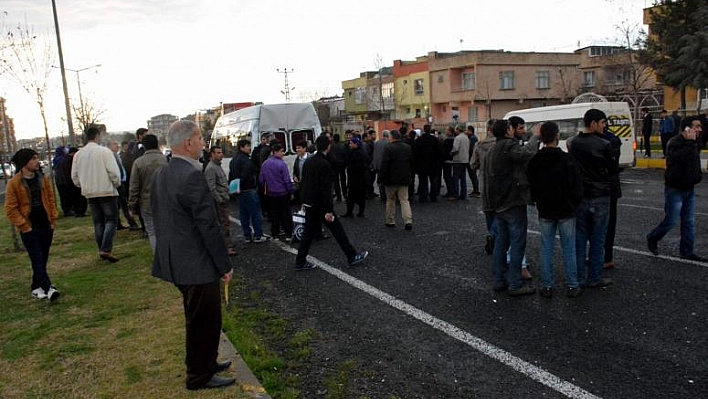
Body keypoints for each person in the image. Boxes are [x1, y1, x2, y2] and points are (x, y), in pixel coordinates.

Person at [151, 120, 235, 391]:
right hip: (196, 264)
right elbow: (208, 225)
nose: (203, 143)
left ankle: (207, 362)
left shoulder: (162, 173)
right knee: (204, 320)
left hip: (177, 260)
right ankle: (199, 375)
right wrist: (224, 265)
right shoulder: (191, 176)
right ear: (188, 142)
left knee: (200, 317)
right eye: (200, 138)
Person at [295, 135, 368, 271]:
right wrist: (328, 210)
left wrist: (303, 201)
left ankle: (300, 261)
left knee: (308, 234)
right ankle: (352, 256)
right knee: (337, 230)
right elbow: (325, 190)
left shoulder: (309, 161)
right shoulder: (324, 164)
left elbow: (303, 183)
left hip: (310, 203)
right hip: (321, 206)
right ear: (328, 147)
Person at [527, 122, 583, 298]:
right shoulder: (567, 159)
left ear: (541, 137)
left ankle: (547, 285)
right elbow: (576, 186)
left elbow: (532, 186)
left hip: (545, 209)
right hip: (565, 209)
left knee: (546, 248)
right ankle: (573, 284)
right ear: (557, 136)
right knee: (569, 247)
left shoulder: (535, 160)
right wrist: (574, 203)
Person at [486, 119, 540, 296]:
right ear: (508, 130)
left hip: (498, 202)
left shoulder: (493, 148)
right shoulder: (509, 146)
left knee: (501, 242)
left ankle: (498, 280)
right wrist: (536, 137)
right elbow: (525, 153)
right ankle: (515, 283)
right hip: (512, 200)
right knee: (517, 242)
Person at [567, 109, 615, 288]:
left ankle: (578, 277)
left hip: (581, 196)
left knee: (580, 238)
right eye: (603, 122)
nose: (605, 126)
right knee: (598, 238)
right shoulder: (604, 144)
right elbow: (611, 169)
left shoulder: (574, 143)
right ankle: (594, 277)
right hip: (600, 196)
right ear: (593, 123)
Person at [4, 148, 60, 301]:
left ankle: (36, 287)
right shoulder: (14, 183)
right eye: (33, 159)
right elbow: (10, 208)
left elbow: (50, 200)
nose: (37, 161)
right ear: (24, 163)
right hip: (29, 228)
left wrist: (53, 219)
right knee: (37, 258)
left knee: (43, 258)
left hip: (46, 225)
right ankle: (49, 288)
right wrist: (24, 225)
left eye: (37, 158)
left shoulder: (43, 179)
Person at [647, 116, 704, 261]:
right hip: (675, 189)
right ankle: (653, 237)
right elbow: (679, 158)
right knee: (671, 220)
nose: (700, 129)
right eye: (697, 126)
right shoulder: (675, 143)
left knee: (689, 222)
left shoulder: (695, 143)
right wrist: (690, 142)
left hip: (689, 188)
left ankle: (687, 251)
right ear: (687, 128)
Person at [71, 124, 121, 263]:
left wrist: (83, 185)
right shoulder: (104, 152)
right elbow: (114, 172)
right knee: (111, 220)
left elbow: (74, 176)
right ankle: (106, 248)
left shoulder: (78, 155)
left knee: (98, 222)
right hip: (106, 190)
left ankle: (102, 249)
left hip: (90, 192)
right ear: (97, 136)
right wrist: (115, 184)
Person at [128, 134, 166, 251]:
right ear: (157, 144)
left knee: (152, 231)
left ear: (144, 146)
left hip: (146, 202)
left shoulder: (138, 163)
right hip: (165, 200)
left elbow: (134, 186)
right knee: (164, 229)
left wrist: (132, 205)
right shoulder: (165, 160)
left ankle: (158, 257)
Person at [229, 139, 267, 243]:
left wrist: (235, 187)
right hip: (249, 189)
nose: (249, 148)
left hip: (239, 190)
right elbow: (246, 175)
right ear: (242, 147)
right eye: (247, 146)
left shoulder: (234, 160)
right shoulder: (245, 160)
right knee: (255, 213)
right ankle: (258, 235)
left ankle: (247, 235)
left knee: (243, 214)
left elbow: (232, 175)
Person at [471, 119, 498, 255]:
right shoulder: (501, 144)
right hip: (498, 183)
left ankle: (490, 234)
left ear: (488, 130)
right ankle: (494, 234)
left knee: (489, 212)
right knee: (500, 212)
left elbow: (473, 164)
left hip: (484, 182)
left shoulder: (479, 144)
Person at [204, 145, 236, 255]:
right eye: (218, 153)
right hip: (220, 202)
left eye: (221, 152)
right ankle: (226, 247)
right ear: (212, 154)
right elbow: (211, 187)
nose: (221, 154)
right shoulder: (211, 168)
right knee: (223, 223)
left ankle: (227, 244)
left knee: (225, 223)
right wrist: (219, 199)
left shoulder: (217, 166)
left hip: (224, 198)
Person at [259, 143, 294, 241]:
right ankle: (288, 233)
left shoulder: (265, 164)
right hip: (282, 192)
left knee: (274, 214)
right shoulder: (282, 164)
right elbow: (287, 180)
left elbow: (261, 180)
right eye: (281, 151)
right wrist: (291, 191)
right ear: (275, 152)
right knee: (285, 213)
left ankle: (275, 233)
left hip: (271, 193)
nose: (283, 153)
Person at [381, 130, 415, 230]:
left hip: (390, 179)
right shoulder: (407, 147)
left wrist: (382, 177)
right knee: (404, 200)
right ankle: (408, 220)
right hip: (404, 178)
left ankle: (390, 220)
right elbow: (412, 163)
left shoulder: (388, 148)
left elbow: (385, 164)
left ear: (391, 137)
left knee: (390, 200)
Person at [603, 126, 623, 269]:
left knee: (607, 223)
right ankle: (601, 255)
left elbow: (610, 165)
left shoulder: (611, 141)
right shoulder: (610, 140)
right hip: (604, 188)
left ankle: (606, 256)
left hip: (607, 188)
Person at [109, 140, 140, 231]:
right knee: (122, 205)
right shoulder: (111, 156)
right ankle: (130, 223)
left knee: (120, 204)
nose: (117, 145)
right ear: (109, 146)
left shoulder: (117, 155)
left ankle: (119, 223)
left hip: (121, 182)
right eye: (114, 144)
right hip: (117, 183)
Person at [414, 124, 443, 203]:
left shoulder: (419, 140)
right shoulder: (435, 140)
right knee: (433, 182)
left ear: (424, 130)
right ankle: (433, 196)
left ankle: (423, 196)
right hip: (433, 164)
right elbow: (440, 152)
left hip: (422, 165)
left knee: (423, 182)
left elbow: (416, 153)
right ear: (430, 130)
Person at [341, 136, 368, 218]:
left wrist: (349, 168)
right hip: (358, 180)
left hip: (356, 180)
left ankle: (353, 212)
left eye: (351, 143)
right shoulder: (357, 152)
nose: (349, 144)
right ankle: (356, 212)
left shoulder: (358, 153)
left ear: (356, 144)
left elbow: (356, 166)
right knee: (357, 197)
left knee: (353, 197)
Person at [449, 126, 470, 200]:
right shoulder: (466, 137)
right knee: (463, 178)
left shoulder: (457, 138)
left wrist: (451, 153)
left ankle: (455, 194)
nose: (455, 131)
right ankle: (463, 194)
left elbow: (455, 149)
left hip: (458, 160)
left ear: (458, 130)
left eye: (455, 129)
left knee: (456, 178)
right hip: (465, 160)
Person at [292, 140, 310, 206]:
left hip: (309, 186)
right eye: (296, 148)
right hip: (301, 185)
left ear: (304, 148)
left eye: (299, 148)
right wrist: (294, 177)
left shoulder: (310, 158)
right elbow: (295, 170)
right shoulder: (297, 159)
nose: (297, 150)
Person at [465, 125, 480, 197]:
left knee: (473, 175)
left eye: (467, 130)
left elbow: (471, 149)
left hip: (471, 159)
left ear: (470, 130)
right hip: (471, 159)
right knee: (472, 175)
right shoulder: (472, 137)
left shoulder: (472, 138)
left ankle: (476, 191)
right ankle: (475, 190)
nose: (466, 131)